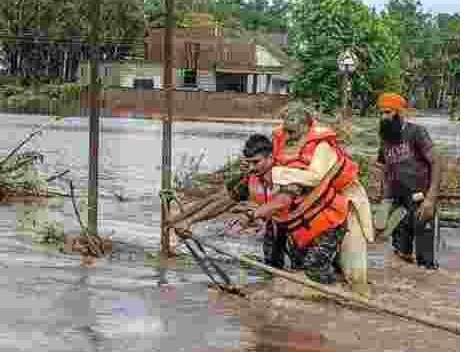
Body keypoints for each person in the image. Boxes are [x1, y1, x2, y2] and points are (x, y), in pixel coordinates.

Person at [258, 104, 373, 295]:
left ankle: (351, 294)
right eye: (285, 130)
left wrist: (275, 174)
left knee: (355, 273)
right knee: (301, 266)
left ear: (305, 127)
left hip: (341, 203)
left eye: (291, 131)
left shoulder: (322, 146)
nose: (287, 136)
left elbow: (315, 177)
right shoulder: (281, 140)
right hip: (305, 210)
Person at [168, 134, 291, 269]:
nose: (251, 168)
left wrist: (249, 216)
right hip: (274, 228)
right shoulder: (251, 178)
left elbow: (282, 201)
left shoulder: (286, 175)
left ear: (270, 157)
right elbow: (220, 202)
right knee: (272, 271)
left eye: (256, 162)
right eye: (248, 162)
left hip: (297, 230)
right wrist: (184, 220)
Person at [376, 92, 442, 269]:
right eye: (381, 113)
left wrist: (430, 199)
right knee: (400, 254)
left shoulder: (416, 133)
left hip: (421, 201)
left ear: (400, 112)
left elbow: (436, 162)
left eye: (388, 112)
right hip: (398, 203)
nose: (384, 117)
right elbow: (385, 168)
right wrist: (384, 202)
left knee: (425, 261)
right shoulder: (385, 137)